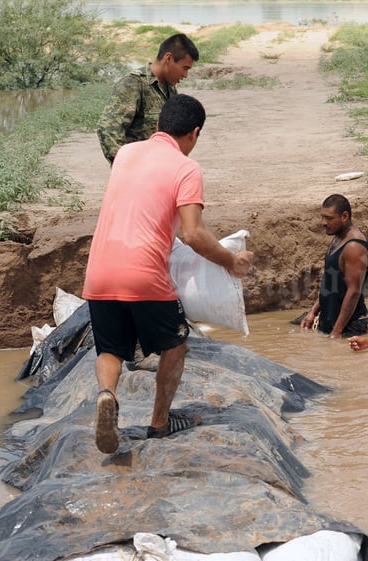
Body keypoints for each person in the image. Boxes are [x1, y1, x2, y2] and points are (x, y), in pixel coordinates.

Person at [83, 93, 253, 454]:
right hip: (143, 273)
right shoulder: (186, 168)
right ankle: (160, 424)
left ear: (159, 125)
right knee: (175, 346)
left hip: (98, 271)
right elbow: (192, 234)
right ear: (194, 133)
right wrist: (230, 261)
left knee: (111, 348)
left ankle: (106, 396)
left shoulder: (127, 153)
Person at [97, 33, 199, 164]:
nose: (185, 75)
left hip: (161, 168)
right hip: (137, 172)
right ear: (168, 58)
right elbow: (107, 128)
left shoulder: (170, 88)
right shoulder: (133, 84)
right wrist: (126, 164)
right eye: (184, 68)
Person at [300, 194, 368, 338]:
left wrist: (337, 331)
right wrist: (313, 312)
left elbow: (353, 292)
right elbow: (330, 283)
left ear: (345, 216)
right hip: (330, 319)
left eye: (329, 218)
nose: (323, 223)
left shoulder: (354, 247)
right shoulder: (338, 237)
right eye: (323, 217)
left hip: (349, 326)